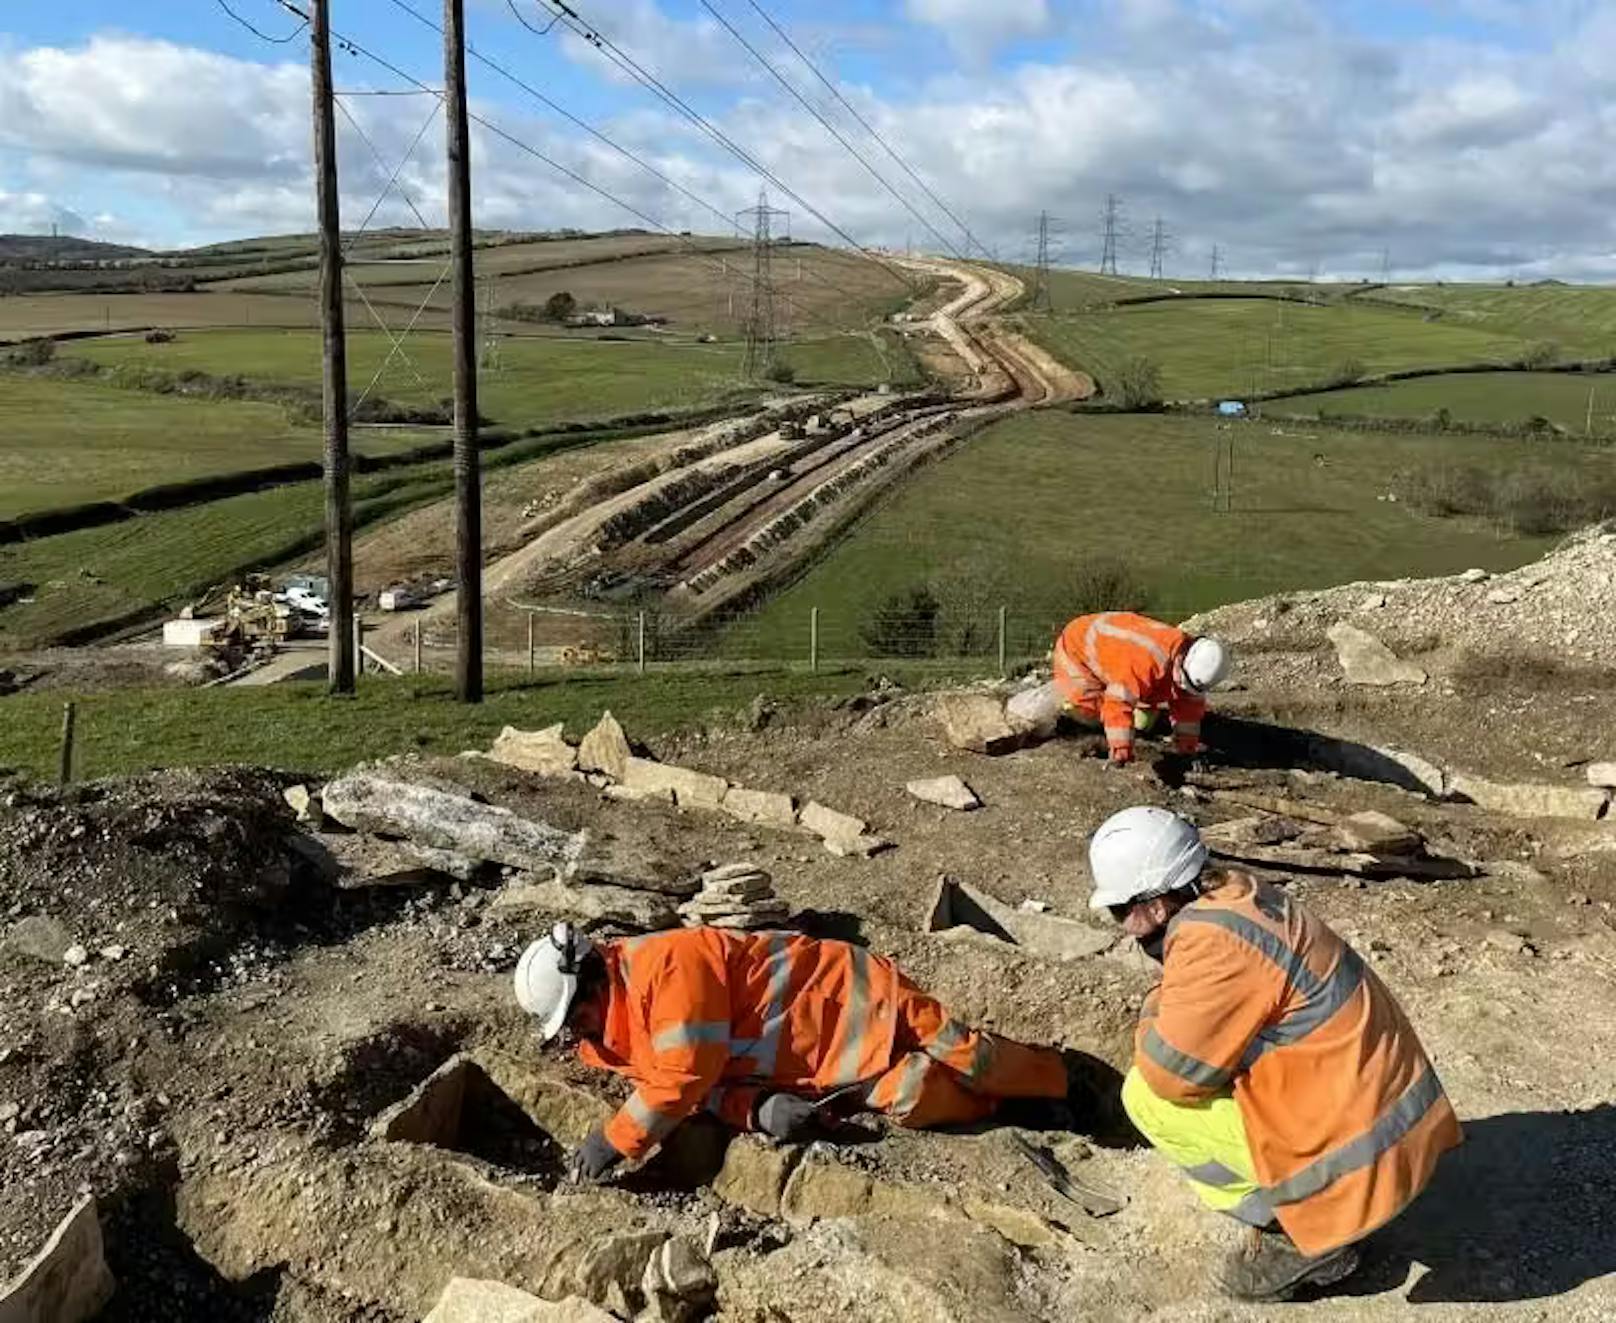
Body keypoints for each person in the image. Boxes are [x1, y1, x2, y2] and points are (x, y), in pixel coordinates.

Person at [1088, 806, 1461, 1302]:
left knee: (1146, 1096)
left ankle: (1300, 1232)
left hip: (1364, 1146)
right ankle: (1322, 1201)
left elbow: (1169, 1074)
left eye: (1120, 912)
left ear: (1156, 904)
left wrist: (1151, 1017)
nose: (1124, 927)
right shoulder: (1242, 897)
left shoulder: (1211, 944)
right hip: (1396, 1119)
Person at [513, 923, 1072, 1183]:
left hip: (852, 996)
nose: (577, 1033)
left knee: (971, 1056)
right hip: (822, 1064)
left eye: (575, 1016)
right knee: (916, 1094)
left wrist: (616, 1140)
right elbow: (699, 1095)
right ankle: (1003, 1110)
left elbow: (684, 1075)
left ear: (591, 981)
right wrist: (756, 1112)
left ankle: (1065, 1084)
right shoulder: (611, 1041)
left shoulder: (669, 966)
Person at [1046, 612, 1230, 766]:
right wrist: (1121, 752)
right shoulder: (1143, 663)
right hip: (1079, 646)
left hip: (1123, 659)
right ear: (1180, 664)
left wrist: (1187, 750)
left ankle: (1118, 731)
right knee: (1090, 709)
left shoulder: (1192, 661)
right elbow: (1117, 704)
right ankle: (1070, 715)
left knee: (1142, 723)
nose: (1185, 688)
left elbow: (1188, 708)